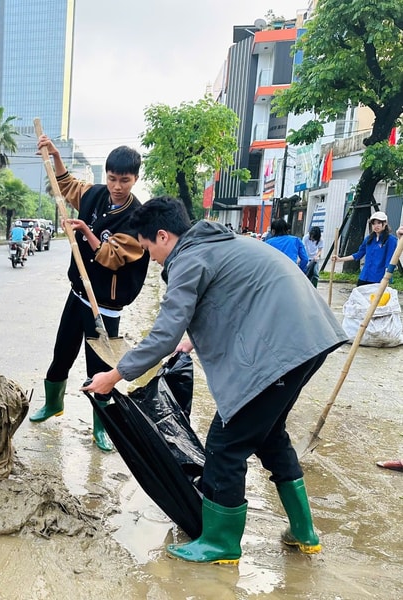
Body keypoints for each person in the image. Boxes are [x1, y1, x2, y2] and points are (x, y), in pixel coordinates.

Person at [82, 197, 347, 564]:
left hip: (283, 348)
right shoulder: (219, 244)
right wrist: (189, 342)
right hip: (309, 338)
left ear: (162, 235)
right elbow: (230, 298)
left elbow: (162, 333)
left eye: (148, 249)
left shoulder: (188, 258)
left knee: (226, 442)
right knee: (270, 437)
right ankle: (304, 532)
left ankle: (221, 542)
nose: (151, 258)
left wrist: (113, 375)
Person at [29, 135, 150, 452]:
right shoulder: (95, 195)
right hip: (79, 294)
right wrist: (54, 155)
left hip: (105, 307)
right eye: (112, 178)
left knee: (100, 371)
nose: (117, 186)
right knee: (61, 354)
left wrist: (86, 232)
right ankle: (53, 404)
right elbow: (67, 186)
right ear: (106, 176)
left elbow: (112, 257)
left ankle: (103, 427)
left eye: (124, 180)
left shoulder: (138, 220)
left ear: (135, 179)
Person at [333, 212, 398, 286]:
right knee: (359, 296)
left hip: (379, 278)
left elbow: (389, 260)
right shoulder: (368, 239)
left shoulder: (391, 240)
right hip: (365, 276)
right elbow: (358, 254)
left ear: (385, 223)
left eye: (379, 223)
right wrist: (340, 259)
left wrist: (387, 279)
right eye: (373, 223)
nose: (376, 226)